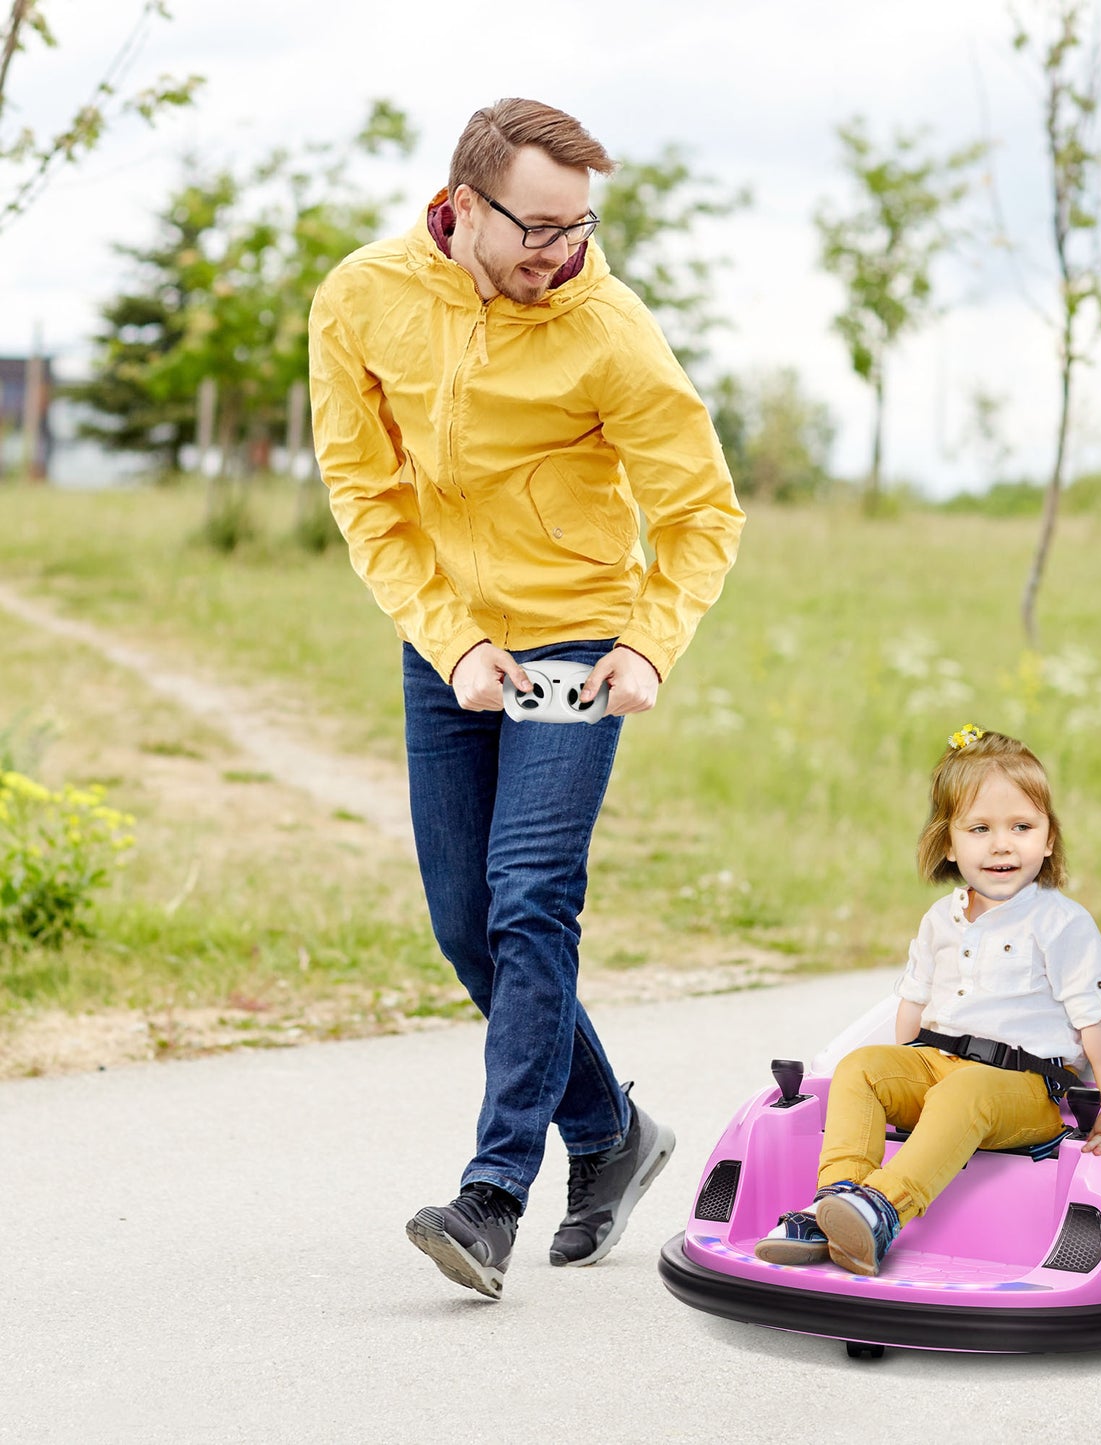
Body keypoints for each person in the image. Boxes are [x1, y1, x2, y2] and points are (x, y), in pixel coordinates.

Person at [308, 99, 744, 1299]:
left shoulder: (609, 330)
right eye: (539, 226)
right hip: (448, 640)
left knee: (529, 900)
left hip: (578, 640)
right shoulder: (361, 297)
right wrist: (449, 641)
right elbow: (367, 494)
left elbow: (702, 511)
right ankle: (610, 1131)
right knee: (464, 921)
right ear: (463, 204)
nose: (564, 251)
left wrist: (649, 645)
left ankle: (491, 1196)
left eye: (580, 224)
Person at [756, 725, 1101, 1277]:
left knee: (967, 1087)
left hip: (1023, 1090)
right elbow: (913, 1011)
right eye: (980, 828)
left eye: (1022, 827)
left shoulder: (1062, 923)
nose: (1002, 844)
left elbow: (1099, 1026)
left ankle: (883, 1206)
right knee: (863, 1066)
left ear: (1049, 838)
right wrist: (903, 1082)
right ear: (948, 844)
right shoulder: (941, 919)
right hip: (939, 1067)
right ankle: (834, 1202)